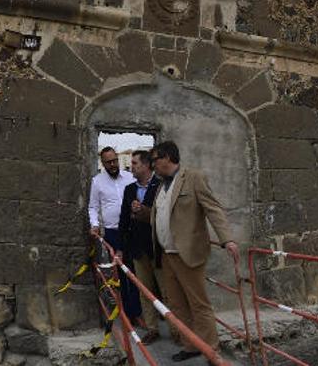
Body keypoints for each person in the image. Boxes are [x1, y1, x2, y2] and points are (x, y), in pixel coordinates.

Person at [133, 141, 238, 362]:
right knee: (177, 305)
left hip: (187, 253)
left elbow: (213, 208)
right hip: (166, 255)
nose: (152, 164)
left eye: (155, 159)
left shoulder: (193, 178)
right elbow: (161, 216)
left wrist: (227, 239)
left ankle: (211, 350)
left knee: (198, 303)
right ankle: (191, 345)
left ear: (168, 158)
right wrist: (143, 213)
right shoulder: (162, 185)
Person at [88, 147, 141, 321]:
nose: (112, 165)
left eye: (114, 161)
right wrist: (95, 225)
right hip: (113, 233)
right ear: (102, 163)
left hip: (133, 230)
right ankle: (128, 314)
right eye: (108, 162)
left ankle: (140, 312)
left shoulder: (129, 177)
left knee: (136, 271)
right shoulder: (97, 181)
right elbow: (93, 207)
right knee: (121, 274)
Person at [118, 150, 162, 344]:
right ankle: (153, 329)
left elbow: (163, 217)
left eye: (135, 163)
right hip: (137, 249)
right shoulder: (129, 189)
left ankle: (178, 331)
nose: (132, 166)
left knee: (167, 290)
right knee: (144, 291)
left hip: (158, 248)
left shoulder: (160, 186)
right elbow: (123, 220)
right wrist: (121, 247)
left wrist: (144, 212)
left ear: (145, 166)